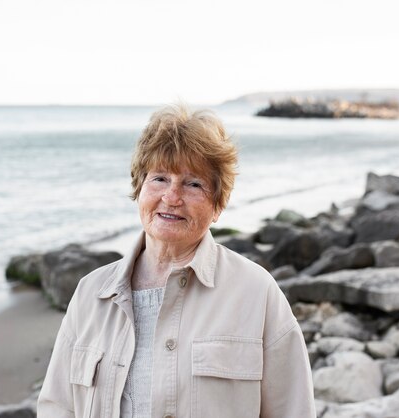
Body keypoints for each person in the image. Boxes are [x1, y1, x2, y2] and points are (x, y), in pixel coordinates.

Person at [37, 104, 315, 418]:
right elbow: (56, 407)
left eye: (193, 183)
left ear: (217, 205)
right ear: (139, 189)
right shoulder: (90, 294)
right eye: (159, 179)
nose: (172, 197)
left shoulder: (256, 292)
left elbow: (294, 411)